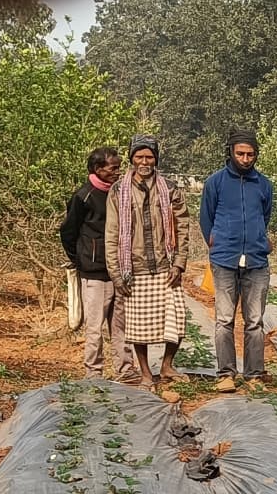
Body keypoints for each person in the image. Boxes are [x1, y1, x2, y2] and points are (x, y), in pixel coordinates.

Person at [104, 135, 191, 392]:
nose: (144, 161)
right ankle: (145, 373)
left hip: (166, 266)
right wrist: (116, 274)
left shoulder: (170, 188)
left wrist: (179, 263)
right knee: (138, 327)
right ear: (131, 158)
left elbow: (182, 226)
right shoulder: (119, 190)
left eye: (149, 157)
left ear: (156, 159)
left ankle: (167, 365)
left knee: (177, 320)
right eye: (139, 156)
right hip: (135, 269)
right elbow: (112, 233)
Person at [199, 127, 274, 392]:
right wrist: (217, 241)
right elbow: (206, 219)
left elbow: (264, 216)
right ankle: (225, 374)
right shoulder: (215, 182)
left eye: (250, 154)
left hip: (256, 260)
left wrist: (257, 239)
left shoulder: (263, 184)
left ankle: (254, 375)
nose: (245, 159)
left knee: (254, 321)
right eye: (240, 153)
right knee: (224, 320)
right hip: (224, 260)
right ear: (230, 152)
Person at [60, 146, 138, 382]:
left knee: (121, 325)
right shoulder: (83, 196)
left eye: (118, 168)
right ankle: (93, 372)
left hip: (120, 270)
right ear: (97, 169)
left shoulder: (120, 193)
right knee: (94, 326)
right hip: (94, 272)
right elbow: (68, 232)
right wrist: (82, 259)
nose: (117, 172)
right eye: (112, 168)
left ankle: (126, 370)